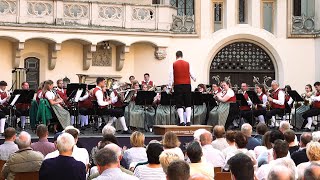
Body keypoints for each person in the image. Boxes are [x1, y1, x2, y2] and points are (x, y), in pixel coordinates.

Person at [169, 50, 196, 126]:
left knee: (179, 103)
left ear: (176, 56)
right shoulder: (187, 63)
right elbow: (192, 74)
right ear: (182, 56)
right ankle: (188, 121)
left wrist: (169, 86)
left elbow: (171, 76)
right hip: (187, 85)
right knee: (188, 103)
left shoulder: (173, 64)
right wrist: (194, 78)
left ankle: (181, 121)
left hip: (178, 85)